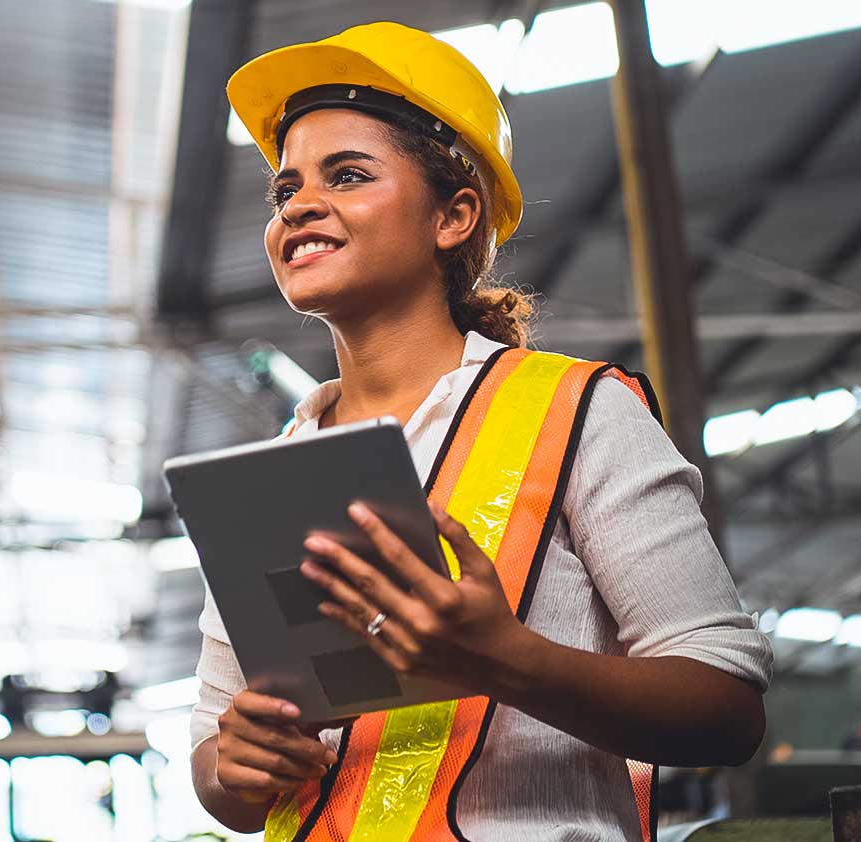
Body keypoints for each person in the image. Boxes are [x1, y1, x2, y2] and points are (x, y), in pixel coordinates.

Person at [187, 22, 773, 841]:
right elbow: (221, 774)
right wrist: (236, 762)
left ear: (455, 214)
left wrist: (506, 658)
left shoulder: (580, 412)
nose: (301, 205)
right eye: (286, 190)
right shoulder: (268, 479)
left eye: (348, 175)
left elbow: (727, 709)